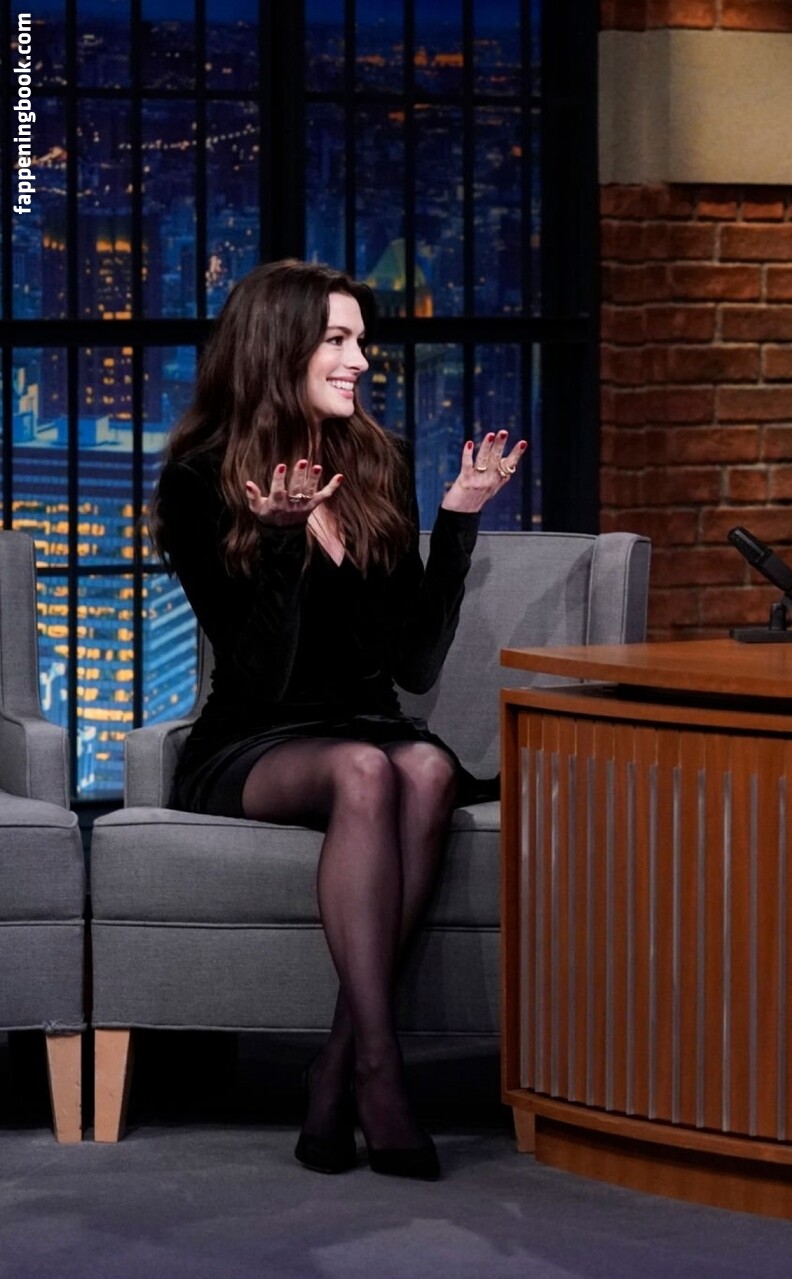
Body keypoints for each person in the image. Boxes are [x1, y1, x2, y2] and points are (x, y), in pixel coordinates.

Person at [149, 260, 528, 1180]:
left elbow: (414, 666)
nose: (361, 359)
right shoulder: (200, 482)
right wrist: (283, 544)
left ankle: (335, 1066)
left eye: (362, 340)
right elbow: (258, 674)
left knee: (423, 767)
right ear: (279, 348)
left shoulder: (376, 461)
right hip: (253, 739)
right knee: (365, 768)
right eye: (338, 339)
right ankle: (378, 1070)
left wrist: (457, 521)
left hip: (367, 720)